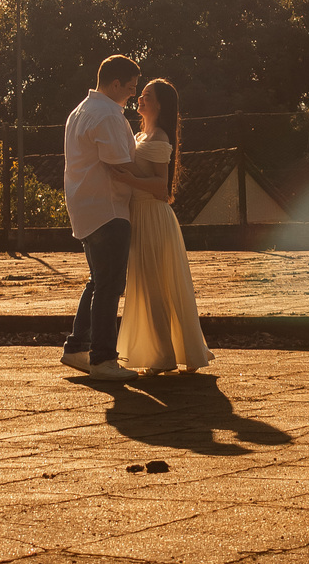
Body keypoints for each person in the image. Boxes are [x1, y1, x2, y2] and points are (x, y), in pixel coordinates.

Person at [111, 77, 212, 373]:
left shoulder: (160, 138)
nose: (140, 99)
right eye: (141, 94)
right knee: (146, 286)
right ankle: (160, 351)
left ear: (159, 104)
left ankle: (165, 354)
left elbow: (161, 186)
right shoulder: (142, 137)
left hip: (153, 216)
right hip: (139, 216)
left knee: (157, 286)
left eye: (146, 95)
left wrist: (128, 180)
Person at [61, 54, 141, 380]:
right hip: (109, 209)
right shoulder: (107, 115)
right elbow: (118, 165)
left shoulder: (80, 111)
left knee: (98, 282)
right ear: (116, 83)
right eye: (132, 86)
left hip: (85, 207)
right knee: (110, 285)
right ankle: (103, 358)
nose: (135, 93)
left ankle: (77, 348)